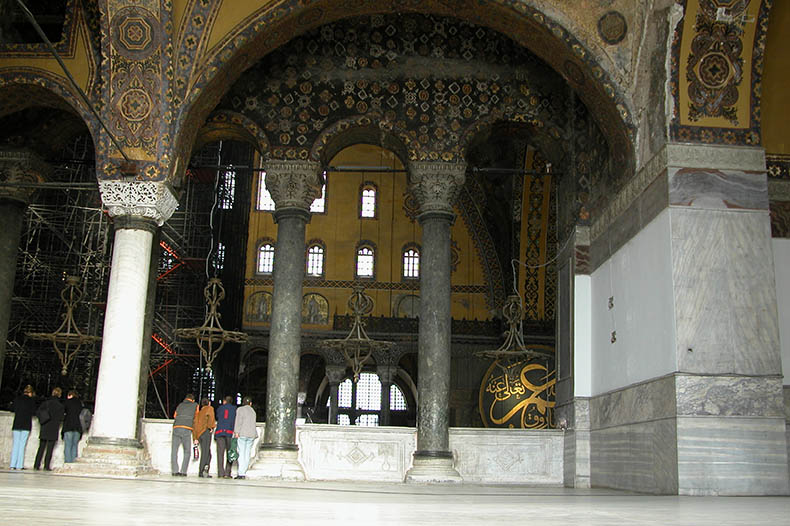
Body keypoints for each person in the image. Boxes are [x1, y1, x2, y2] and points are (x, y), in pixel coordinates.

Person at [34, 387, 65, 471]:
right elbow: (61, 418)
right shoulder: (60, 406)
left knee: (41, 447)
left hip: (45, 426)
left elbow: (38, 412)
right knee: (50, 449)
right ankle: (46, 466)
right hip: (53, 428)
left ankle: (36, 465)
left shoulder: (45, 403)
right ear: (59, 395)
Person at [171, 393, 198, 477]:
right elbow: (196, 417)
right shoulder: (195, 405)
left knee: (174, 450)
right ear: (193, 400)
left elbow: (175, 415)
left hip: (176, 427)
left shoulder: (180, 405)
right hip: (187, 428)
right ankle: (183, 472)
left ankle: (175, 471)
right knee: (187, 451)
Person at [9, 385, 36, 470]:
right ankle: (19, 465)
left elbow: (12, 408)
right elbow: (34, 412)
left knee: (15, 444)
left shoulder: (17, 399)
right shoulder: (31, 401)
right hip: (26, 425)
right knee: (22, 445)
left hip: (17, 424)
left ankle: (12, 464)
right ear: (31, 393)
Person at [233, 396, 257, 480]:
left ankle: (241, 473)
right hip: (251, 435)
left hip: (242, 434)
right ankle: (244, 471)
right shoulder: (253, 411)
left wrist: (236, 432)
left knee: (241, 453)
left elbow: (238, 421)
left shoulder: (240, 409)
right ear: (250, 403)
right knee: (247, 454)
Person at [214, 395, 236, 478]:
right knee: (229, 453)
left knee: (220, 453)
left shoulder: (220, 408)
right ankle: (227, 472)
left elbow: (218, 416)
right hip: (229, 433)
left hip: (220, 432)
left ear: (224, 401)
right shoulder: (234, 409)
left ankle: (220, 473)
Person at [193, 397, 216, 478]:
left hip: (199, 434)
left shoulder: (199, 412)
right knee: (205, 453)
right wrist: (211, 427)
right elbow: (211, 418)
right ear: (209, 403)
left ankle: (205, 469)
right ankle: (201, 471)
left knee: (208, 454)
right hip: (205, 432)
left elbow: (195, 425)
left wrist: (195, 437)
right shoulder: (209, 409)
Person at [61, 390, 83, 463]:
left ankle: (67, 462)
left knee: (68, 445)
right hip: (77, 427)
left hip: (68, 426)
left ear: (70, 395)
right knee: (75, 445)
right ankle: (73, 462)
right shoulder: (80, 403)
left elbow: (63, 412)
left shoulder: (67, 402)